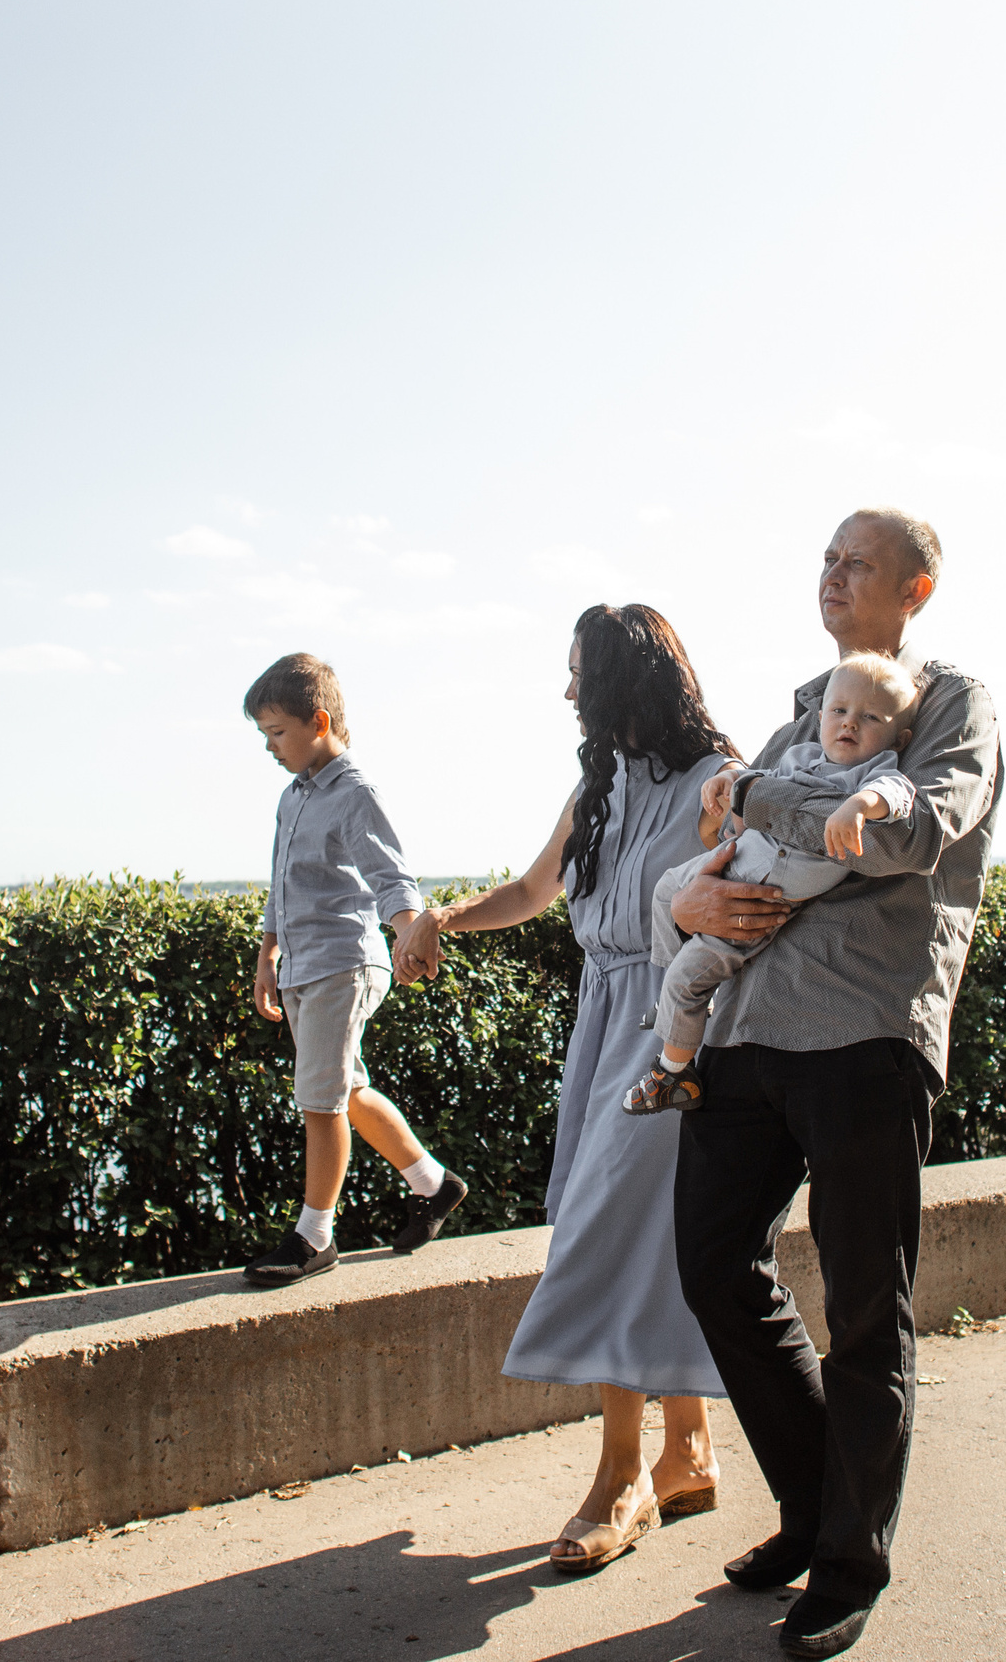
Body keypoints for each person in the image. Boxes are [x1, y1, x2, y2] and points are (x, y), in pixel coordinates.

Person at [664, 509, 1001, 1659]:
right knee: (712, 1263)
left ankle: (850, 1564)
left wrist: (756, 797)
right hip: (747, 1030)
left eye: (858, 562)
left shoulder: (950, 703)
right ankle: (814, 1509)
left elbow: (907, 836)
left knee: (865, 1309)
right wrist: (686, 898)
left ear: (915, 590)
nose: (832, 573)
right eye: (825, 557)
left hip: (866, 1030)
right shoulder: (802, 710)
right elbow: (721, 849)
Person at [393, 605, 736, 1573]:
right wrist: (444, 918)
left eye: (580, 671)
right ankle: (688, 1450)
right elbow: (531, 891)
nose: (568, 690)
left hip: (674, 1028)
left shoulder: (721, 781)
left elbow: (761, 900)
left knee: (605, 1229)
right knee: (644, 1232)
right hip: (602, 1021)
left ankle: (622, 1476)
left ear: (628, 678)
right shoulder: (597, 786)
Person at [241, 652, 463, 1289]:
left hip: (344, 965)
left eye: (277, 732)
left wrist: (411, 933)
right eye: (264, 735)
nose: (269, 746)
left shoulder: (355, 793)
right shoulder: (291, 798)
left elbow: (392, 877)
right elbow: (280, 885)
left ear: (318, 722)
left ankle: (315, 1237)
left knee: (320, 1101)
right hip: (302, 967)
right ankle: (433, 1183)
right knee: (347, 1088)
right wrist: (267, 955)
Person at [625, 650, 920, 1115]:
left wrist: (858, 806)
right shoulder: (800, 754)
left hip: (761, 901)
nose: (849, 723)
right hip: (739, 860)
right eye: (839, 711)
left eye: (870, 717)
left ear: (898, 738)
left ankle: (674, 1075)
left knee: (686, 981)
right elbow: (755, 792)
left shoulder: (874, 774)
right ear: (820, 718)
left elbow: (898, 795)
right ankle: (667, 998)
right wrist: (732, 783)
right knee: (666, 891)